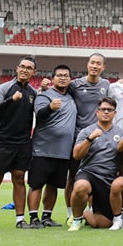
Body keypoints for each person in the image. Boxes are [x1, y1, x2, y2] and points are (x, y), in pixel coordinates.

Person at [0, 56, 37, 231]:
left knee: (19, 179)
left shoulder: (33, 93)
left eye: (29, 68)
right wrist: (11, 100)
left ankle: (20, 219)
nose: (24, 70)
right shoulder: (5, 88)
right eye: (22, 66)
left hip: (22, 143)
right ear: (16, 68)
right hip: (3, 141)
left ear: (33, 72)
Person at [27, 63, 76, 228]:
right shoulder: (44, 96)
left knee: (54, 185)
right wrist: (50, 107)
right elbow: (39, 114)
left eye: (66, 76)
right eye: (59, 75)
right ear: (53, 78)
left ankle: (47, 216)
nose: (63, 78)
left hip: (63, 151)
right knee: (36, 184)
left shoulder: (71, 97)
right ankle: (34, 218)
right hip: (43, 148)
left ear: (70, 79)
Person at [65, 53, 111, 221]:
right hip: (79, 137)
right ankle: (70, 214)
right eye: (92, 62)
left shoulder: (106, 84)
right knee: (73, 176)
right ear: (87, 64)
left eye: (99, 63)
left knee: (96, 175)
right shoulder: (75, 84)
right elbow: (59, 91)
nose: (95, 66)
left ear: (103, 67)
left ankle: (92, 210)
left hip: (100, 138)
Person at [68, 97, 123, 231]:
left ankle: (85, 214)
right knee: (81, 187)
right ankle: (76, 220)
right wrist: (90, 139)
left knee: (103, 224)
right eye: (103, 109)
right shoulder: (87, 131)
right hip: (88, 172)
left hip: (107, 178)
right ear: (97, 112)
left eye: (109, 110)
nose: (106, 112)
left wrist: (120, 174)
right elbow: (76, 155)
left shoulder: (121, 134)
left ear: (114, 113)